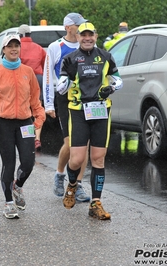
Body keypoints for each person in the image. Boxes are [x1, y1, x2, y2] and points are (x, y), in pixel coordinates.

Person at [57, 22, 123, 220]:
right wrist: (65, 83)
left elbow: (118, 80)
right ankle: (72, 184)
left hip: (101, 111)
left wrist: (110, 88)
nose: (87, 38)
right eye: (83, 35)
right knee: (76, 159)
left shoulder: (105, 57)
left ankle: (96, 203)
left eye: (90, 35)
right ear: (77, 37)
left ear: (96, 36)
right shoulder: (69, 59)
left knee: (98, 158)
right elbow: (61, 85)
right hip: (78, 111)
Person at [0, 34, 45, 219]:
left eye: (16, 45)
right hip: (3, 123)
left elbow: (35, 99)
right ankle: (9, 203)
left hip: (25, 122)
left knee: (28, 163)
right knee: (9, 164)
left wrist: (39, 118)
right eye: (10, 46)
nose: (14, 49)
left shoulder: (28, 72)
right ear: (4, 50)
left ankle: (18, 187)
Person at [42, 12, 90, 202]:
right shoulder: (56, 47)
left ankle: (77, 185)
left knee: (83, 145)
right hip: (64, 98)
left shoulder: (85, 46)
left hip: (85, 98)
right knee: (71, 144)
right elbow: (47, 76)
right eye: (78, 25)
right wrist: (48, 104)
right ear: (68, 27)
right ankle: (60, 174)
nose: (81, 29)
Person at [17, 24, 46, 151]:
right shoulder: (39, 48)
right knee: (37, 109)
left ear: (19, 35)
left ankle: (27, 137)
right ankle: (37, 138)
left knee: (25, 110)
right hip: (38, 78)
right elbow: (45, 65)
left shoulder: (17, 48)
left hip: (23, 79)